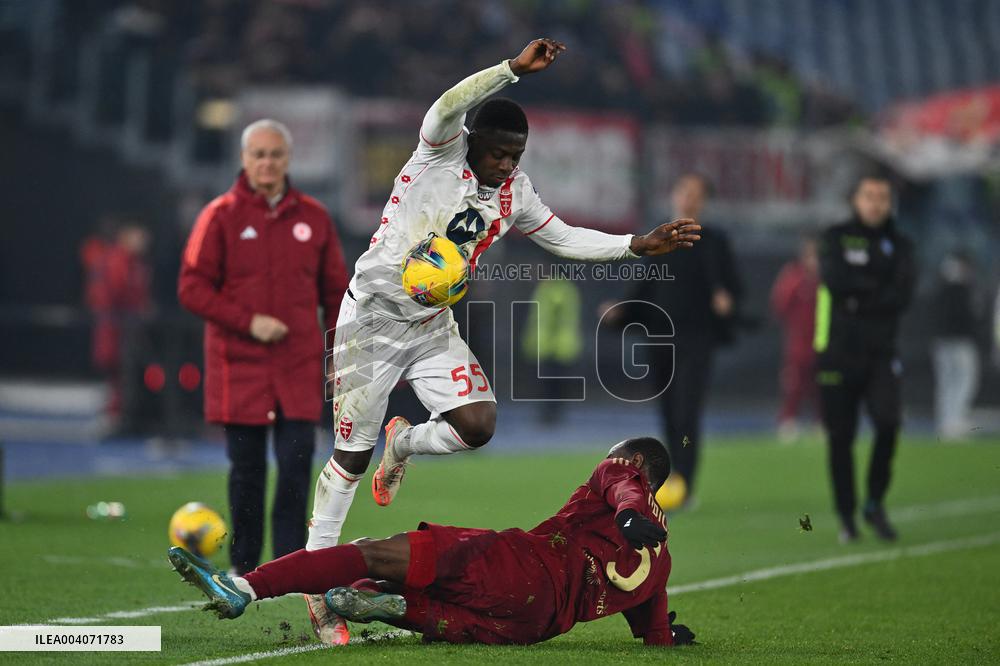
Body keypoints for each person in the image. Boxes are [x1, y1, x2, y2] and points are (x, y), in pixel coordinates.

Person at [168, 437, 696, 647]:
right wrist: (673, 639)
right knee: (425, 607)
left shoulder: (624, 475)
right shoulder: (663, 560)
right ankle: (385, 603)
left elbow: (623, 484)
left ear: (636, 462)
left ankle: (247, 587)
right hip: (534, 626)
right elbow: (655, 636)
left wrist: (627, 512)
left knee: (379, 551)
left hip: (523, 567)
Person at [178, 120, 349, 580]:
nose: (267, 162)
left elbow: (337, 295)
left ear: (288, 160)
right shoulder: (220, 215)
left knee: (297, 469)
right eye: (258, 154)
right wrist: (248, 321)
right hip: (241, 370)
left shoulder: (314, 218)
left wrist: (339, 356)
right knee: (246, 471)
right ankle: (245, 567)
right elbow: (191, 288)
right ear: (243, 159)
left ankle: (290, 568)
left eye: (275, 154)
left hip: (297, 367)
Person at [603, 174, 743, 506]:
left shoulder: (715, 241)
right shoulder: (660, 238)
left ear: (703, 200)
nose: (688, 199)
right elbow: (643, 289)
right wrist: (619, 310)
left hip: (697, 339)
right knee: (667, 413)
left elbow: (735, 287)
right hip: (659, 339)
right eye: (683, 192)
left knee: (686, 412)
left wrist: (727, 299)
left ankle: (686, 484)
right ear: (674, 196)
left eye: (696, 194)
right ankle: (672, 480)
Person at [815, 174, 915, 543]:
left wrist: (860, 296)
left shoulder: (901, 244)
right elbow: (835, 281)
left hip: (881, 355)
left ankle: (874, 502)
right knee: (841, 438)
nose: (875, 203)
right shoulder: (836, 237)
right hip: (838, 354)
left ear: (890, 203)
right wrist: (875, 290)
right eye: (868, 196)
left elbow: (902, 295)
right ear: (855, 200)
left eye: (882, 197)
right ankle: (846, 516)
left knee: (888, 424)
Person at [770, 236, 819, 442]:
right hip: (798, 343)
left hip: (821, 342)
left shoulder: (825, 281)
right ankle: (789, 420)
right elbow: (779, 305)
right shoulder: (793, 278)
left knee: (821, 383)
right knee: (794, 382)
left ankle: (821, 422)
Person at [930, 250, 981, 441]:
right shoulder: (961, 290)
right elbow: (969, 317)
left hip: (942, 341)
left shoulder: (939, 288)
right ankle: (954, 420)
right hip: (960, 342)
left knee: (947, 382)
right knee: (963, 380)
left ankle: (947, 421)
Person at [521, 277, 583, 425]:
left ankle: (551, 415)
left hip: (555, 346)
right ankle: (550, 414)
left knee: (553, 385)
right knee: (551, 385)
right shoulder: (560, 289)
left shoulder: (554, 290)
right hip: (551, 345)